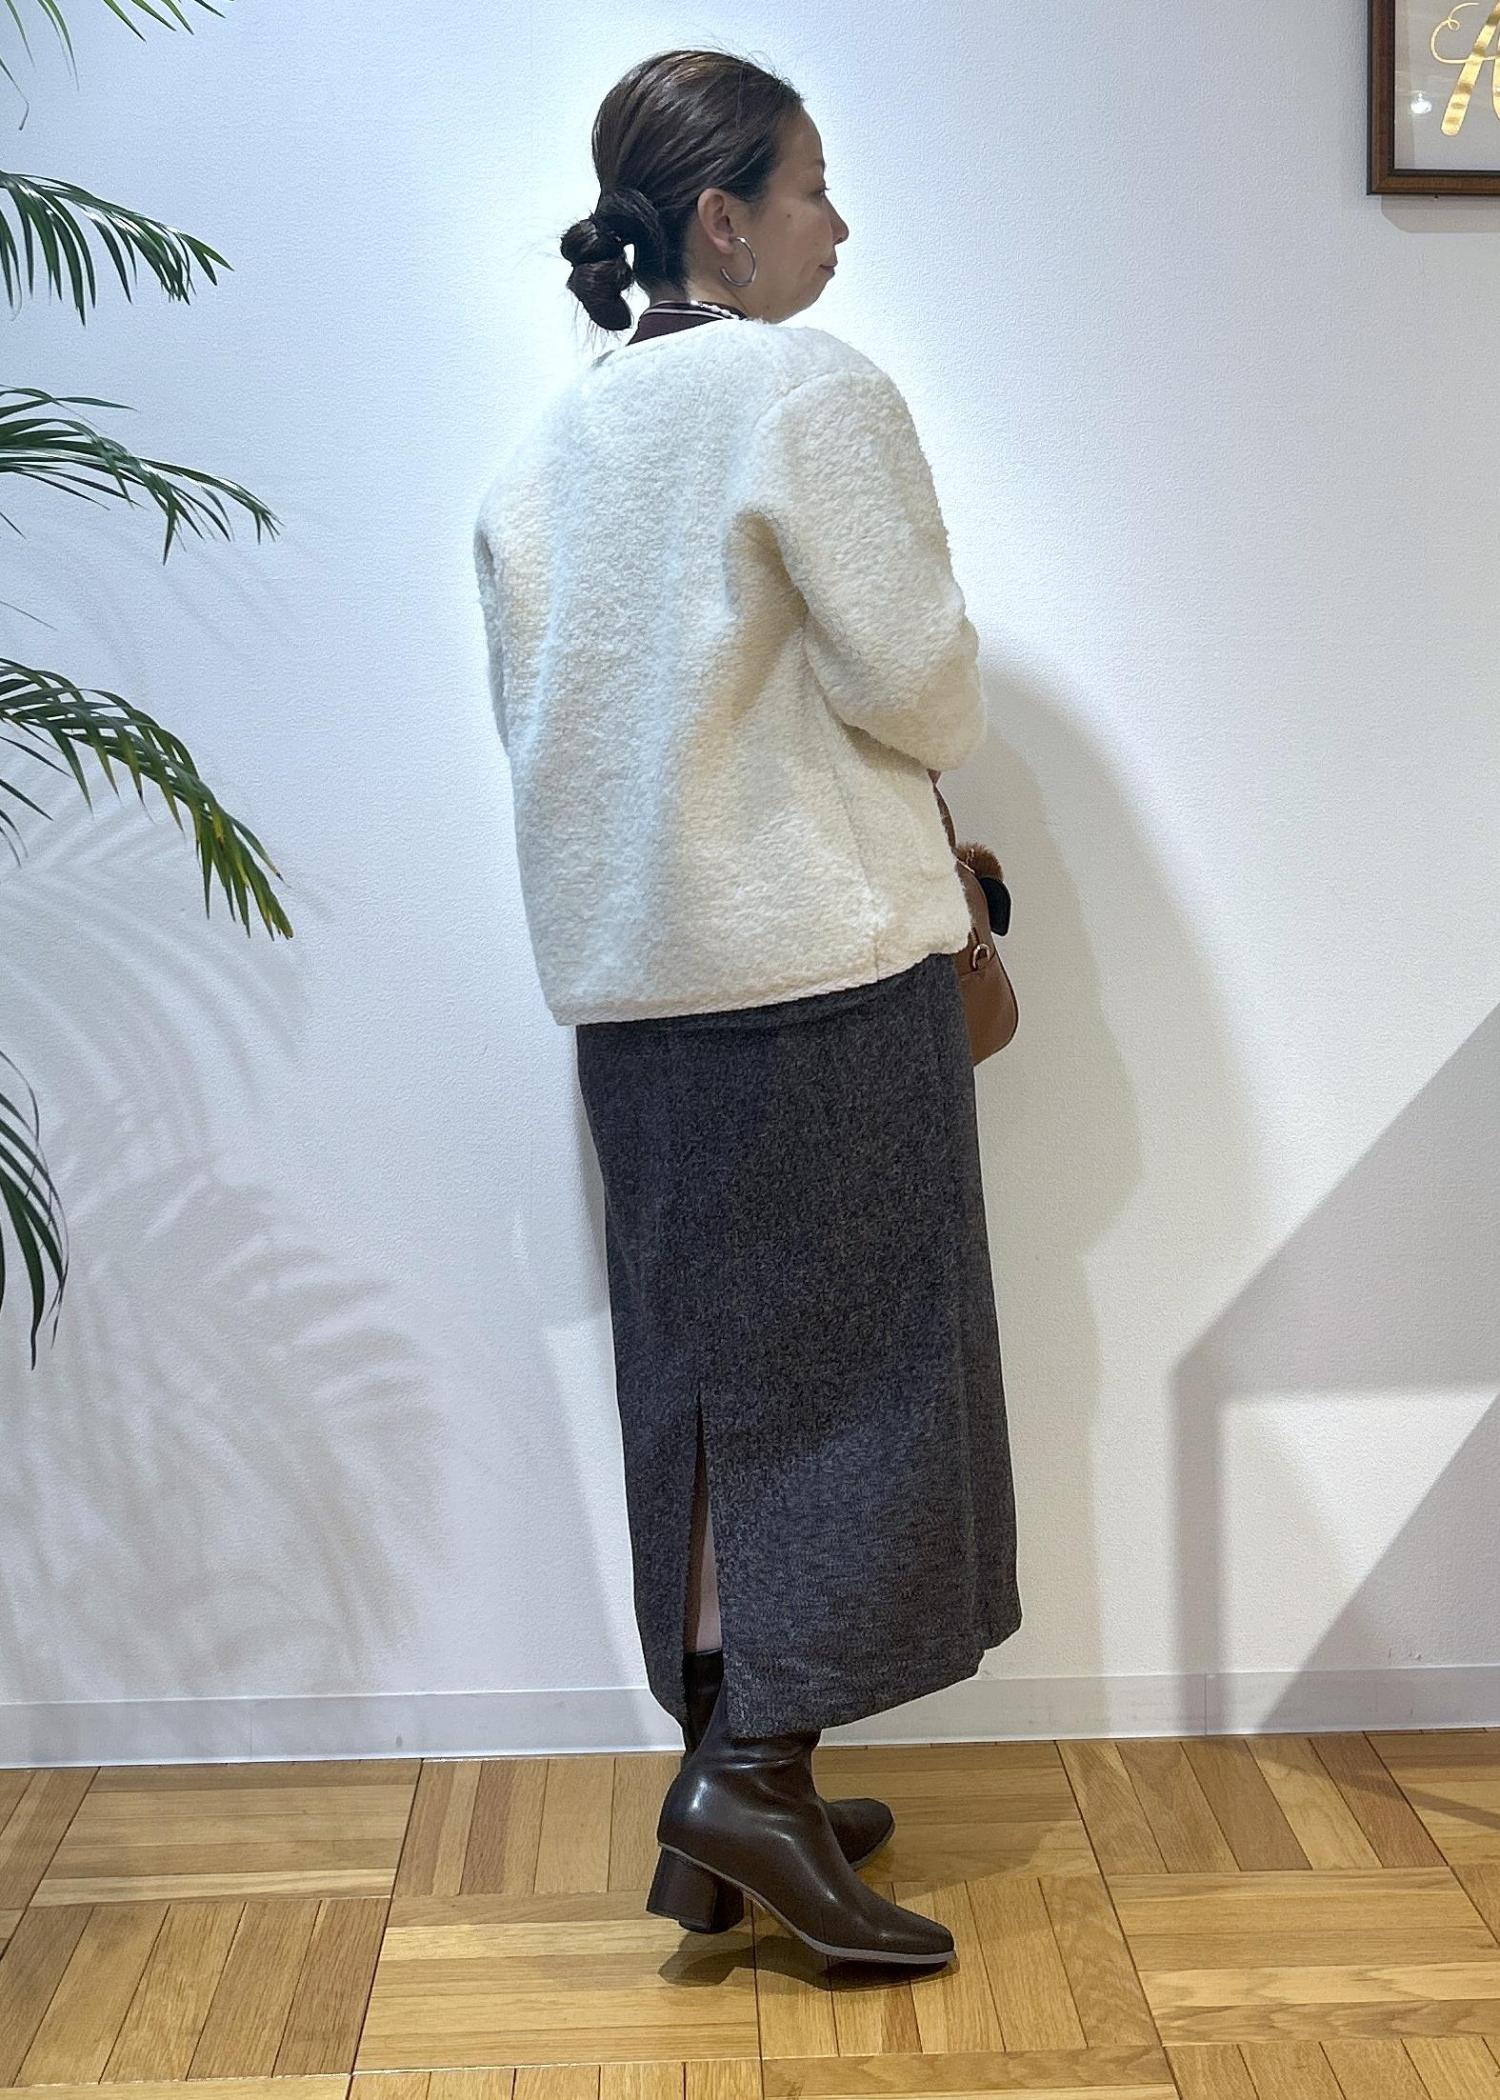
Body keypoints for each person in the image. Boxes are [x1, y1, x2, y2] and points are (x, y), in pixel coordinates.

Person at [472, 46, 1021, 1971]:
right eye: (810, 189)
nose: (836, 226)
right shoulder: (808, 392)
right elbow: (925, 691)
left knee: (705, 1391)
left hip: (641, 1001)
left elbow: (542, 734)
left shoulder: (545, 450)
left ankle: (736, 1782)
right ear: (722, 219)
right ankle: (755, 1769)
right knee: (861, 1389)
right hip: (819, 980)